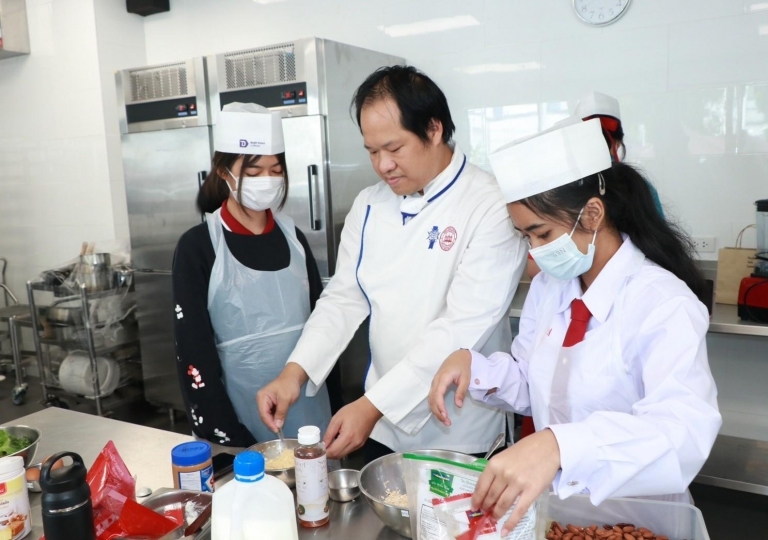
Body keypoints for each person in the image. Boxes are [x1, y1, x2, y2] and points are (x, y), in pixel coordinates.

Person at [428, 118, 721, 535]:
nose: (534, 252)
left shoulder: (662, 304)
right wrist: (475, 368)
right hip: (563, 515)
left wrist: (561, 445)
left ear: (593, 214)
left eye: (541, 233)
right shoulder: (551, 287)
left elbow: (683, 434)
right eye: (524, 237)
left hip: (640, 520)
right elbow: (536, 384)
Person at [257, 66, 527, 462]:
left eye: (394, 148)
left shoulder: (489, 203)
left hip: (462, 427)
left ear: (434, 130)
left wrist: (371, 406)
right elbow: (343, 298)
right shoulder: (369, 204)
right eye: (372, 151)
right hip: (382, 419)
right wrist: (293, 373)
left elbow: (460, 326)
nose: (383, 165)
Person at [172, 102, 334, 447]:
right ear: (223, 172)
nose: (268, 181)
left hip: (310, 418)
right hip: (238, 422)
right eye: (255, 171)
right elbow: (194, 352)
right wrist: (230, 439)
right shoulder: (199, 246)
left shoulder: (294, 238)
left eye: (276, 170)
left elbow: (323, 324)